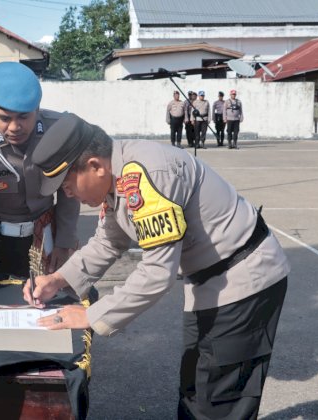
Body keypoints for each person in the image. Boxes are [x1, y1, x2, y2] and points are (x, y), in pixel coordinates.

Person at [25, 113, 290, 420]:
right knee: (196, 388)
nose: (67, 194)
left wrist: (90, 314)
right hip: (211, 282)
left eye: (67, 183)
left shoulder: (145, 175)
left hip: (243, 281)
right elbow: (110, 240)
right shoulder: (117, 172)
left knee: (218, 399)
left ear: (95, 166)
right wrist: (57, 279)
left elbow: (157, 272)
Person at [0, 62, 80, 309]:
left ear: (37, 109)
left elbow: (69, 196)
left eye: (24, 117)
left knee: (48, 314)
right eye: (4, 118)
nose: (15, 127)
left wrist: (64, 242)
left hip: (43, 241)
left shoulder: (59, 133)